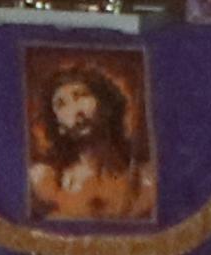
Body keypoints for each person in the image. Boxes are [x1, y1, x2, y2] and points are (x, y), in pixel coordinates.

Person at [28, 62, 151, 222]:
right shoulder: (46, 181)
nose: (76, 111)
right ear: (59, 127)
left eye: (81, 95)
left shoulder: (145, 179)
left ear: (106, 106)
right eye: (61, 104)